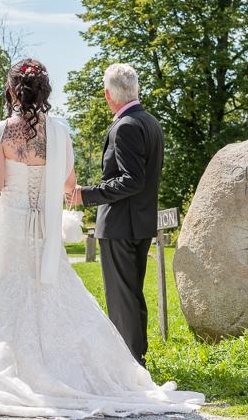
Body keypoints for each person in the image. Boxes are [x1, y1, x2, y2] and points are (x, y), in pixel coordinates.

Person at [0, 59, 203, 417]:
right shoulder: (59, 131)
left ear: (13, 91)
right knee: (51, 290)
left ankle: (12, 365)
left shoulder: (0, 131)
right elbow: (68, 185)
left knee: (5, 291)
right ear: (44, 91)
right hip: (45, 227)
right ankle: (71, 365)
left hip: (11, 225)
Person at [69, 63, 162, 367]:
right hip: (140, 224)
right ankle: (136, 361)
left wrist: (86, 194)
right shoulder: (150, 122)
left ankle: (129, 365)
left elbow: (131, 180)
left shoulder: (125, 126)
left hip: (121, 226)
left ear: (108, 94)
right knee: (131, 296)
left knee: (122, 300)